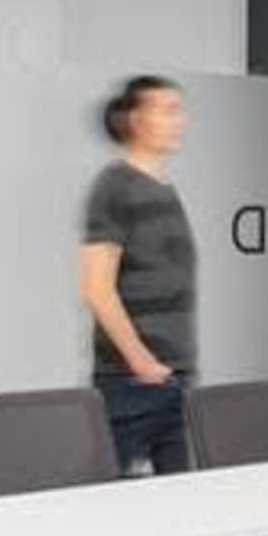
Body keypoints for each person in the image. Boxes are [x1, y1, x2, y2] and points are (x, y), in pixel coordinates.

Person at [81, 74, 198, 473]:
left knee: (185, 513)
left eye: (178, 110)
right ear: (135, 120)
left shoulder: (163, 188)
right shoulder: (115, 187)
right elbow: (97, 288)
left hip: (174, 380)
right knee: (110, 512)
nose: (178, 120)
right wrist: (141, 362)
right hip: (129, 383)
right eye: (167, 110)